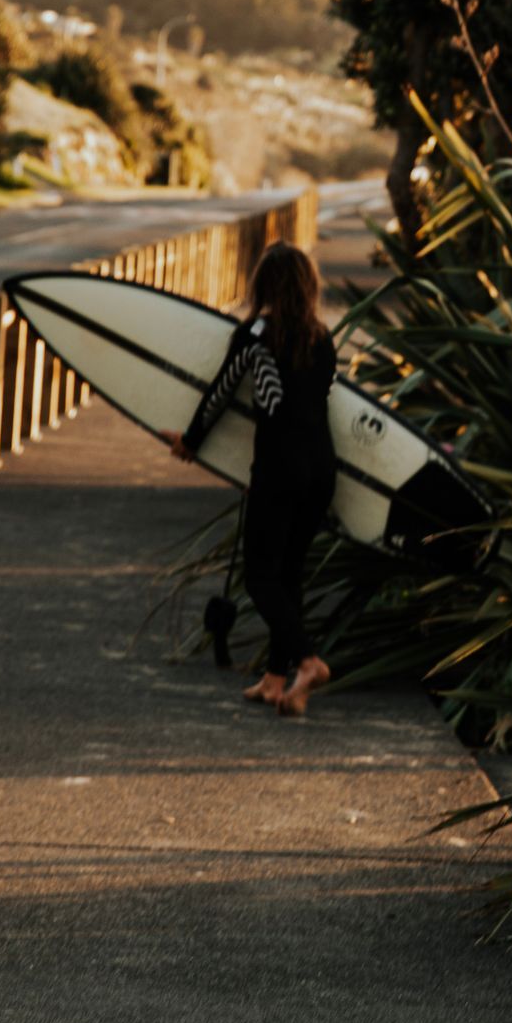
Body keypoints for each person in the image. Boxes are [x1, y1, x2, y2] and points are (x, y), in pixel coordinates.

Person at [169, 244, 338, 717]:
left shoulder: (257, 336)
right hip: (321, 470)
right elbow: (311, 406)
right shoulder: (322, 339)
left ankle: (308, 663)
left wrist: (190, 441)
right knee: (288, 576)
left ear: (264, 285)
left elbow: (222, 392)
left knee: (261, 577)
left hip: (280, 470)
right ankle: (276, 681)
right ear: (308, 286)